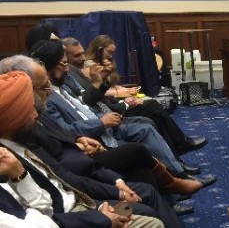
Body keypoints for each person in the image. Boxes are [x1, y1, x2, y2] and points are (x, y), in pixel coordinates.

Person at [0, 54, 204, 203]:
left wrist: (79, 141)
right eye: (64, 62)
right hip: (80, 165)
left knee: (144, 144)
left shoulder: (58, 88)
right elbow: (54, 166)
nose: (68, 67)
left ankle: (173, 183)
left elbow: (83, 111)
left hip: (93, 135)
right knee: (138, 148)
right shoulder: (27, 116)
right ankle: (175, 181)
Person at [0, 71, 165, 228]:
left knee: (143, 187)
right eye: (29, 110)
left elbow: (63, 179)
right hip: (72, 216)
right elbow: (44, 215)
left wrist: (110, 199)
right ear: (14, 118)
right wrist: (100, 219)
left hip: (81, 203)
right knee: (149, 218)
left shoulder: (23, 141)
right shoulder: (6, 162)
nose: (36, 115)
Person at [63, 37, 207, 159]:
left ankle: (177, 154)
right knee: (151, 111)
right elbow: (89, 99)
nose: (82, 58)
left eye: (82, 54)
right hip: (104, 113)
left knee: (152, 109)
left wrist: (107, 81)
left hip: (109, 106)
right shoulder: (81, 71)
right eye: (76, 56)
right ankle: (179, 150)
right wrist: (123, 101)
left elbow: (100, 92)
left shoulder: (84, 70)